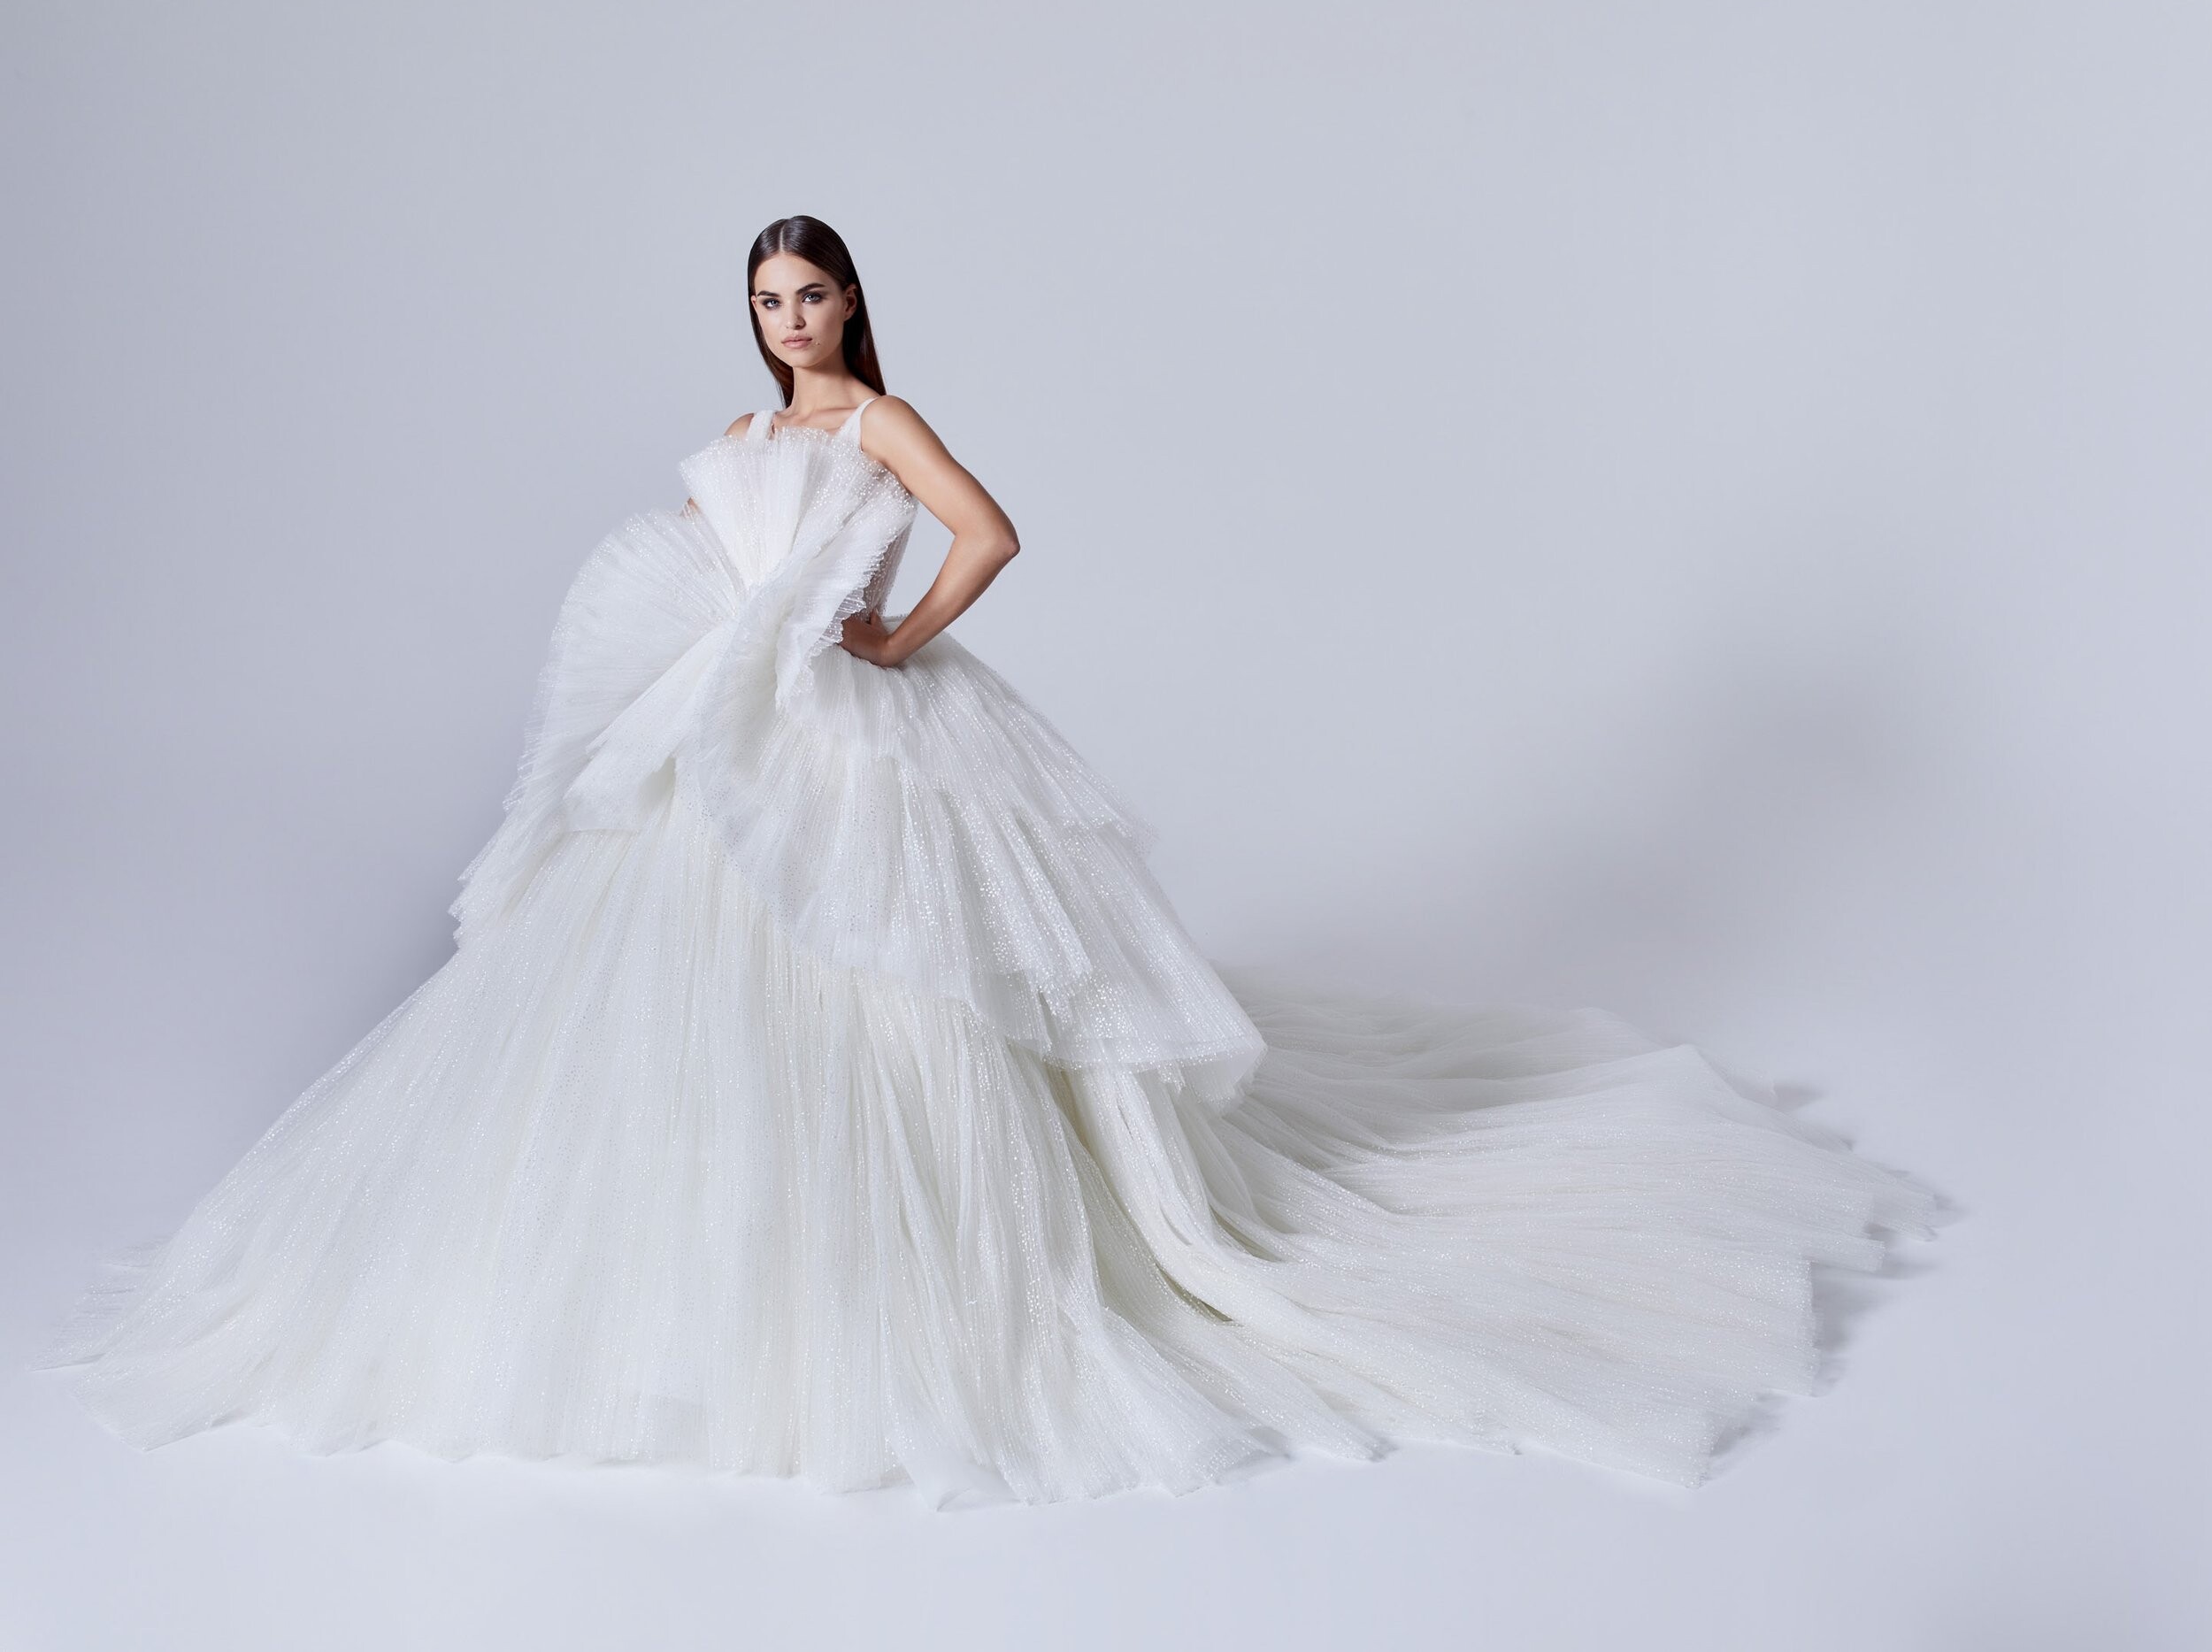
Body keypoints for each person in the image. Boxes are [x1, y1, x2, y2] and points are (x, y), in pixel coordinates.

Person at [42, 215, 1937, 1508]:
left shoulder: (881, 421)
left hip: (857, 728)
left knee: (905, 988)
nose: (792, 320)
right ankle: (722, 1276)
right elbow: (700, 569)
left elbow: (990, 532)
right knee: (684, 989)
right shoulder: (735, 433)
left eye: (813, 296)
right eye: (770, 299)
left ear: (852, 305)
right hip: (730, 733)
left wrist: (888, 636)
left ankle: (929, 1278)